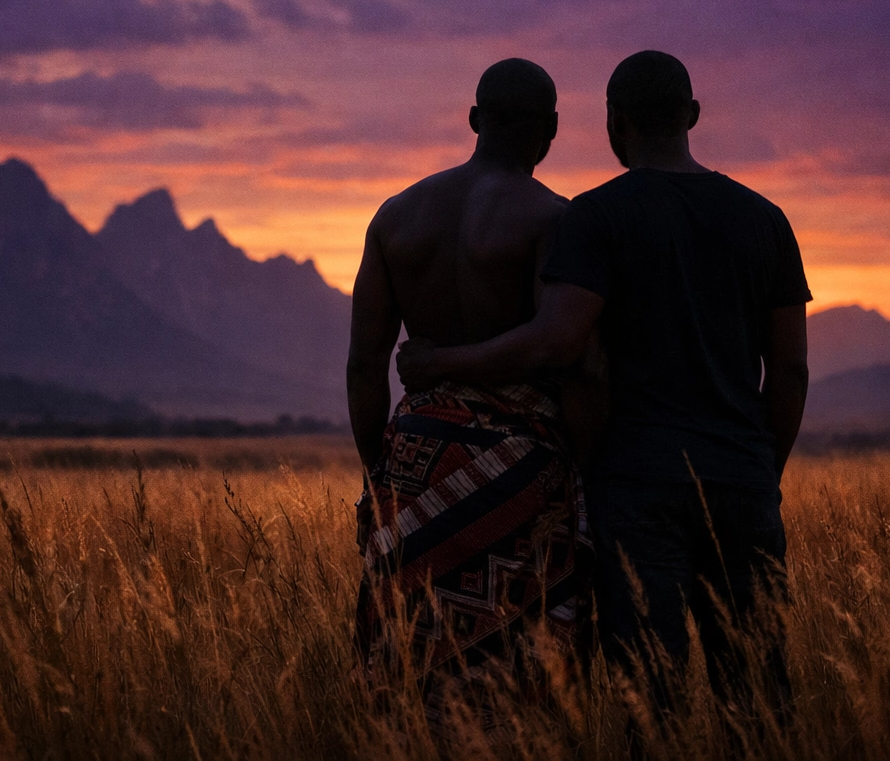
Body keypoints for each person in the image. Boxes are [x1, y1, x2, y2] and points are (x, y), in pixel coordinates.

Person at [398, 50, 810, 721]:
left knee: (650, 702)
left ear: (614, 123)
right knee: (759, 700)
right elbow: (789, 371)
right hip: (742, 481)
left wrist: (444, 361)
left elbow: (559, 342)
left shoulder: (596, 216)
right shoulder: (766, 220)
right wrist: (763, 470)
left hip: (638, 487)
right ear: (692, 115)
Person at [346, 58, 596, 730]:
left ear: (474, 119)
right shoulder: (553, 218)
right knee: (522, 678)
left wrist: (380, 479)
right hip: (519, 465)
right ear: (551, 130)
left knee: (410, 660)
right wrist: (586, 474)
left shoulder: (395, 217)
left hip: (414, 462)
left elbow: (366, 365)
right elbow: (558, 349)